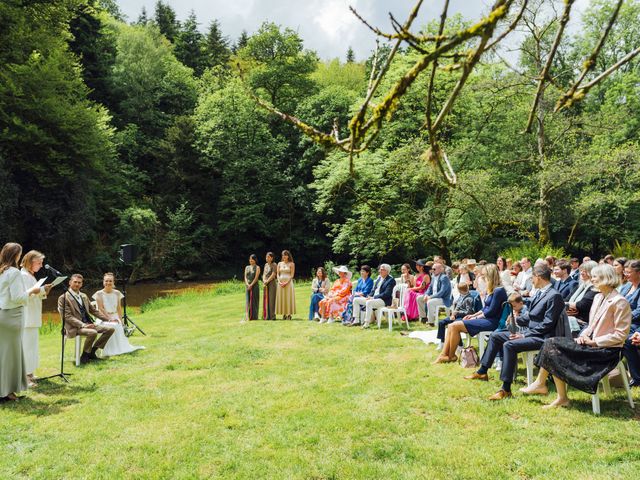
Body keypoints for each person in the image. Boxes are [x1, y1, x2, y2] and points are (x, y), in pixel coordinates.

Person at [529, 264, 631, 408]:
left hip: (606, 351)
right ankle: (556, 394)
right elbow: (591, 325)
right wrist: (583, 336)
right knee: (551, 343)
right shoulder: (598, 297)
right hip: (591, 344)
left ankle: (544, 386)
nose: (592, 279)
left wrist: (594, 342)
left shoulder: (620, 302)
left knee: (552, 345)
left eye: (595, 276)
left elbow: (621, 335)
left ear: (605, 278)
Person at [465, 264, 565, 401]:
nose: (531, 281)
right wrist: (515, 319)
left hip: (543, 337)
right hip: (531, 332)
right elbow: (531, 316)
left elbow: (548, 324)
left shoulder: (554, 296)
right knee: (495, 336)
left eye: (533, 278)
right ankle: (482, 372)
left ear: (540, 277)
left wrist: (524, 335)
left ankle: (505, 389)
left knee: (509, 344)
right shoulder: (540, 292)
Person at [435, 264, 506, 363]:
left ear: (490, 275)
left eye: (484, 276)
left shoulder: (499, 290)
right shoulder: (492, 289)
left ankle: (450, 356)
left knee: (455, 326)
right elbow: (485, 308)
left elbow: (491, 311)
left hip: (492, 322)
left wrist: (475, 318)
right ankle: (445, 355)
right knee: (451, 325)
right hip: (486, 319)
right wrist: (473, 315)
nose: (483, 278)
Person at [0, 243, 44, 401]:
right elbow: (17, 298)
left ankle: (6, 390)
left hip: (3, 315)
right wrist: (33, 291)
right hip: (12, 316)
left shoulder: (2, 271)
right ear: (15, 255)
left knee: (4, 355)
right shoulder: (14, 273)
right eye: (19, 254)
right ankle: (6, 392)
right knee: (11, 356)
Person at [60, 274, 115, 364]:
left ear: (81, 284)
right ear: (70, 283)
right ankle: (85, 356)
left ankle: (92, 352)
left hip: (88, 324)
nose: (77, 284)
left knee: (110, 329)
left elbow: (93, 310)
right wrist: (83, 325)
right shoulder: (63, 298)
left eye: (79, 282)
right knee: (92, 332)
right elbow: (67, 317)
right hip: (74, 327)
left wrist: (108, 319)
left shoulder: (84, 296)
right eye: (75, 282)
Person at [92, 273, 144, 357]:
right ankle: (108, 349)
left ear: (113, 282)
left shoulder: (117, 293)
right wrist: (109, 319)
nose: (108, 283)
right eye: (106, 281)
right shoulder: (99, 294)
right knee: (112, 326)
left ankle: (119, 348)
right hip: (103, 317)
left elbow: (119, 308)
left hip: (115, 315)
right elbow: (101, 309)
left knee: (118, 324)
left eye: (110, 281)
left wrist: (121, 320)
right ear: (103, 282)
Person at [20, 250, 51, 387]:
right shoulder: (23, 276)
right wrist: (41, 290)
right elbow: (25, 296)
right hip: (27, 316)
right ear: (30, 262)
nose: (41, 265)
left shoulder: (30, 276)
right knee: (26, 347)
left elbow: (36, 295)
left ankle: (30, 372)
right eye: (39, 262)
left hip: (33, 315)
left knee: (32, 347)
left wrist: (45, 291)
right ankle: (25, 377)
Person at [351, 264, 396, 328]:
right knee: (356, 300)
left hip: (383, 300)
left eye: (382, 270)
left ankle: (366, 323)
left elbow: (387, 293)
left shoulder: (391, 280)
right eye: (380, 269)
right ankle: (356, 320)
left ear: (387, 271)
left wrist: (373, 297)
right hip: (373, 299)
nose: (380, 271)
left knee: (369, 302)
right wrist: (369, 296)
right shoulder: (379, 279)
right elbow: (373, 290)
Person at [436, 282, 475, 349]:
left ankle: (460, 344)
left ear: (460, 290)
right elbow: (458, 306)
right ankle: (442, 342)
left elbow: (469, 312)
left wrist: (457, 312)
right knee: (441, 322)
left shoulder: (469, 298)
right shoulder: (461, 296)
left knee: (455, 325)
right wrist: (453, 314)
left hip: (464, 317)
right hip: (457, 315)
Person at [621, 259, 640, 387]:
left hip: (635, 323)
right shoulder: (626, 286)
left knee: (626, 340)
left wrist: (622, 318)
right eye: (625, 272)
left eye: (629, 272)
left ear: (638, 273)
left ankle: (637, 378)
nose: (625, 274)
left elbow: (639, 311)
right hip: (623, 322)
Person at [565, 260, 598, 333]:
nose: (582, 273)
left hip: (583, 322)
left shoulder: (594, 288)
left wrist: (566, 304)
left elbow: (582, 305)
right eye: (581, 270)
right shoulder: (579, 286)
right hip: (572, 317)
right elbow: (567, 299)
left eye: (585, 271)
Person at [275, 250, 296, 319]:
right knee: (282, 298)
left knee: (288, 297)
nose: (284, 256)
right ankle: (284, 314)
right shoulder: (279, 263)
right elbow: (277, 274)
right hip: (280, 283)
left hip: (288, 283)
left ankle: (289, 314)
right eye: (283, 255)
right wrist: (279, 282)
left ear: (288, 256)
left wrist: (286, 282)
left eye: (285, 255)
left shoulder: (291, 264)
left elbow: (292, 275)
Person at [244, 254, 261, 320]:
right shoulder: (247, 267)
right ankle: (247, 316)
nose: (251, 260)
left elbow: (256, 278)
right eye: (250, 259)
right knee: (248, 300)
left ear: (255, 260)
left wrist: (251, 285)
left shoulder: (257, 267)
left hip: (254, 286)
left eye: (252, 259)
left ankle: (254, 316)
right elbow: (245, 277)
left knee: (254, 301)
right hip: (247, 286)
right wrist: (247, 284)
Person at [262, 252, 277, 320]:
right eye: (266, 257)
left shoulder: (274, 264)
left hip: (272, 283)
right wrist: (264, 280)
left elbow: (273, 274)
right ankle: (266, 315)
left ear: (272, 258)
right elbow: (264, 274)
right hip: (266, 283)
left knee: (272, 299)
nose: (267, 258)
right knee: (266, 299)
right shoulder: (265, 265)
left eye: (268, 257)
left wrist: (267, 281)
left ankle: (272, 316)